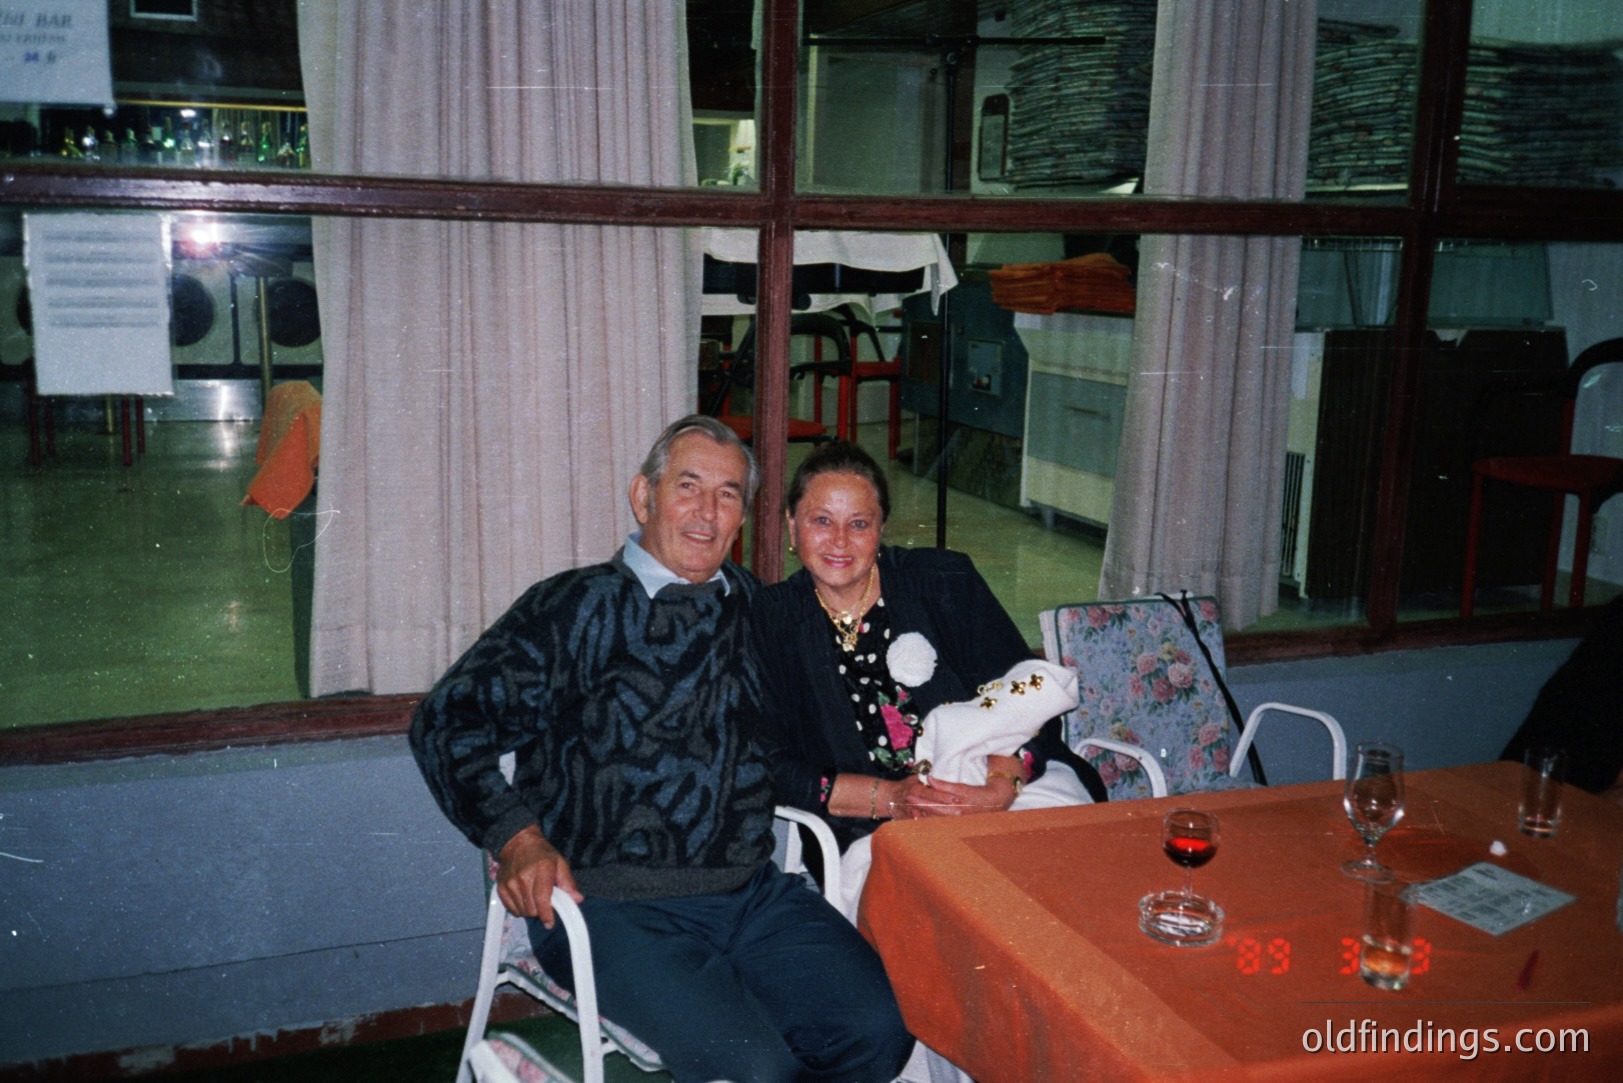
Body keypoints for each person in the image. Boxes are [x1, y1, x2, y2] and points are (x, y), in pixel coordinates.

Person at [410, 416, 913, 1083]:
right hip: (607, 906)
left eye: (728, 494)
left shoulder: (758, 610)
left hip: (751, 893)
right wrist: (517, 836)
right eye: (688, 486)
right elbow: (446, 720)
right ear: (643, 497)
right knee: (760, 1070)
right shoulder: (574, 605)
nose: (707, 511)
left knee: (879, 1032)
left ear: (742, 517)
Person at [751, 439, 1105, 857]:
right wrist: (891, 799)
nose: (840, 540)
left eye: (859, 523)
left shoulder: (942, 582)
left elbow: (1027, 696)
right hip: (874, 827)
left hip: (1008, 792)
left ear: (881, 528)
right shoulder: (771, 619)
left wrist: (997, 790)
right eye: (822, 521)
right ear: (792, 525)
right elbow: (767, 761)